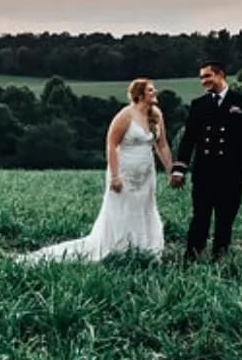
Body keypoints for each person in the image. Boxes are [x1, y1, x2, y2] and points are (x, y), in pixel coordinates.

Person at [18, 79, 173, 263]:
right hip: (124, 172)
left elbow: (161, 145)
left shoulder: (156, 115)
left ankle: (145, 248)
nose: (155, 92)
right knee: (122, 210)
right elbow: (112, 144)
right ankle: (119, 248)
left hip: (146, 175)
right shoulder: (125, 115)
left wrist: (172, 171)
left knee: (145, 208)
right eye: (150, 90)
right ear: (139, 95)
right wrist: (115, 176)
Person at [169, 60, 242, 260]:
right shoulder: (198, 105)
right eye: (201, 77)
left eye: (207, 76)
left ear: (220, 75)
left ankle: (219, 259)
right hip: (204, 173)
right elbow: (188, 140)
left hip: (231, 173)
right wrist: (179, 169)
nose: (204, 81)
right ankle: (191, 258)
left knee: (225, 220)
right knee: (199, 218)